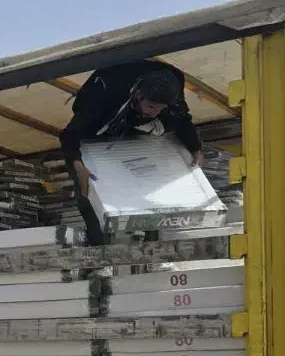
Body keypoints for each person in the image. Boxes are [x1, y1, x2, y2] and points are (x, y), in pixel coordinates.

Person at [57, 62, 203, 244]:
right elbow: (70, 134)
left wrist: (195, 147)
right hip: (97, 129)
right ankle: (100, 247)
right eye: (151, 107)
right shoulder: (102, 93)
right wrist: (77, 164)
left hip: (133, 128)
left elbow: (182, 118)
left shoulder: (173, 85)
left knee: (148, 183)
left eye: (160, 109)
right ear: (138, 94)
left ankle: (151, 244)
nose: (155, 112)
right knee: (89, 189)